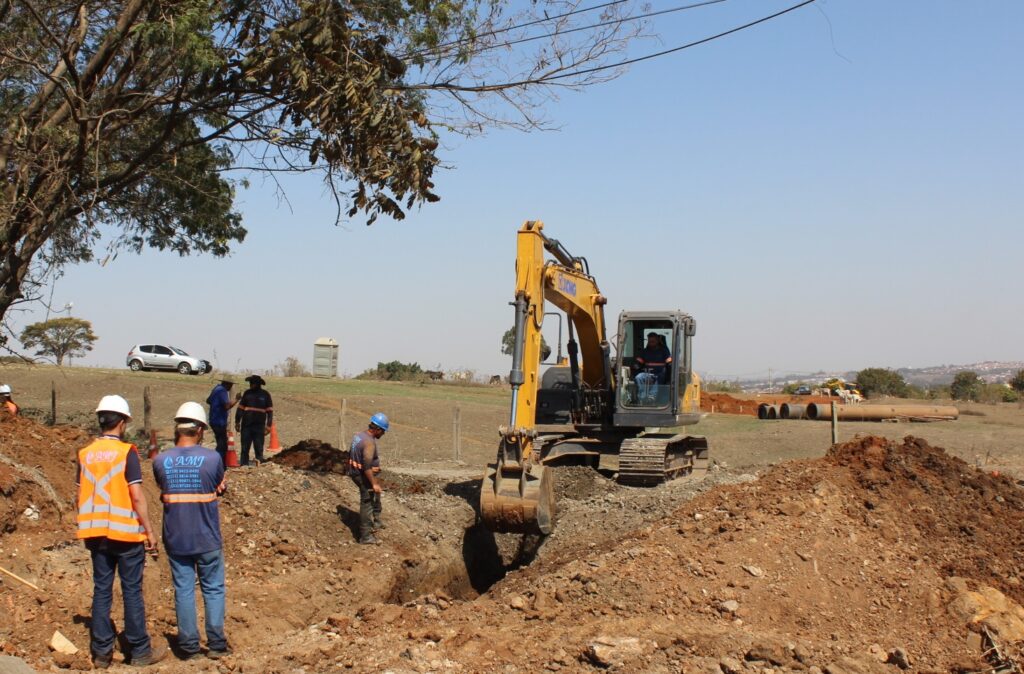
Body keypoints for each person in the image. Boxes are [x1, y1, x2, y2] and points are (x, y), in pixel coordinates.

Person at [76, 395, 166, 668]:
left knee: (102, 590)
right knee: (131, 591)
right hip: (125, 534)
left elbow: (80, 493)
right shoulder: (126, 452)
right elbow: (136, 495)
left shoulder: (84, 453)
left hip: (94, 533)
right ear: (123, 422)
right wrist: (149, 530)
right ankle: (139, 651)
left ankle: (101, 653)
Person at [152, 402, 231, 661]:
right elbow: (219, 484)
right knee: (213, 588)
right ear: (200, 430)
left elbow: (163, 485)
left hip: (176, 538)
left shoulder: (161, 460)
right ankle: (217, 644)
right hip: (207, 536)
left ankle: (188, 647)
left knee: (184, 589)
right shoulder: (212, 458)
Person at [348, 413, 389, 544]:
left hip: (356, 471)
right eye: (383, 431)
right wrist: (373, 482)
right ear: (377, 429)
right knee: (367, 503)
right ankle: (365, 536)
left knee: (375, 497)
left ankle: (376, 521)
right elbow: (366, 466)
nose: (383, 434)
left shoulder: (359, 436)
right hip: (363, 476)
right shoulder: (369, 443)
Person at [234, 375, 273, 466]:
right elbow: (240, 409)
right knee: (244, 447)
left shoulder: (265, 395)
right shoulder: (247, 393)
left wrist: (268, 426)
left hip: (259, 426)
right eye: (250, 383)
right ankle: (244, 464)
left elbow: (270, 412)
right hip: (246, 426)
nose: (251, 385)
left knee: (259, 447)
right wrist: (237, 422)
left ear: (258, 384)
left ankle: (258, 464)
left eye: (253, 383)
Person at [205, 377, 239, 467]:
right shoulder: (222, 391)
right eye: (230, 386)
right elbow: (227, 406)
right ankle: (219, 464)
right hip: (219, 421)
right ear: (227, 384)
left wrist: (216, 404)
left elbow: (208, 400)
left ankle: (218, 463)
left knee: (220, 443)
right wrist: (236, 399)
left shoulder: (216, 389)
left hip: (213, 419)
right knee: (222, 445)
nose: (230, 388)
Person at [634, 332, 672, 403]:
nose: (651, 343)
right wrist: (636, 366)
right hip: (647, 374)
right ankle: (642, 398)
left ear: (657, 341)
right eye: (649, 341)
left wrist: (668, 376)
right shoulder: (644, 351)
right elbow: (639, 362)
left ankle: (652, 396)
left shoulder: (664, 351)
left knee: (659, 377)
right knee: (638, 377)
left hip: (660, 374)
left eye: (653, 341)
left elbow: (669, 363)